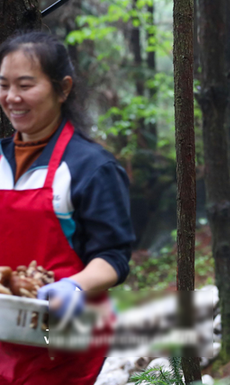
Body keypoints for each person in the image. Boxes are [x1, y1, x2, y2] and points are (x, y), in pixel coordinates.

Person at [0, 32, 134, 384]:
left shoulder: (92, 167)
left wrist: (74, 286)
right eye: (4, 85)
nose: (12, 97)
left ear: (63, 88)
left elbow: (114, 255)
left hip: (61, 337)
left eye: (25, 85)